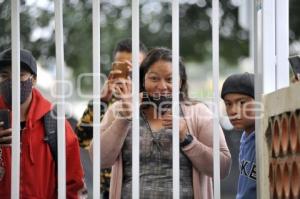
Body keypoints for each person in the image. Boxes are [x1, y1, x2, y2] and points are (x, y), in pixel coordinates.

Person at [96, 47, 232, 199]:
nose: (162, 86)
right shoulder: (119, 109)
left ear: (181, 82)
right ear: (143, 79)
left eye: (170, 79)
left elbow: (223, 168)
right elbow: (99, 159)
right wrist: (124, 117)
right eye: (154, 78)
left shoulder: (198, 112)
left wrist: (187, 140)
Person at [0, 48, 87, 198]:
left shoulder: (54, 122)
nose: (12, 82)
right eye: (4, 75)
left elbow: (73, 183)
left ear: (34, 80)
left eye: (20, 75)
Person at [75, 38, 147, 198]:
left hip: (143, 187)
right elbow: (82, 138)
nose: (128, 71)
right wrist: (101, 101)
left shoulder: (152, 98)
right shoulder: (110, 100)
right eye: (121, 65)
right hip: (110, 188)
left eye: (133, 66)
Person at [221, 72, 256, 199]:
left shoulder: (267, 136)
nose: (233, 111)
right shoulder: (245, 137)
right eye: (228, 104)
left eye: (242, 103)